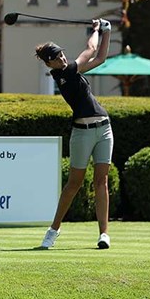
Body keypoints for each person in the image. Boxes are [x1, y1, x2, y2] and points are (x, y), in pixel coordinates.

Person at [35, 18, 113, 250]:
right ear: (50, 63)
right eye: (57, 57)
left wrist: (107, 32)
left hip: (104, 128)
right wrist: (96, 29)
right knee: (74, 184)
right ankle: (53, 230)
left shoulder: (71, 71)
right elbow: (90, 49)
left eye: (62, 54)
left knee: (102, 181)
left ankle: (104, 235)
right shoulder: (63, 74)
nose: (62, 58)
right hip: (82, 133)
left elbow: (100, 58)